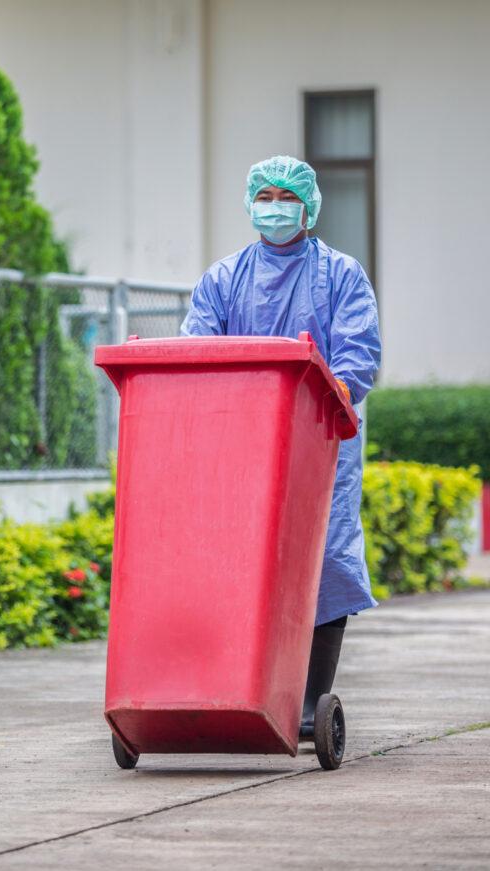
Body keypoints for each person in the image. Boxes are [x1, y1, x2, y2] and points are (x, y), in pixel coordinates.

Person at [180, 155, 381, 738]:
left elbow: (356, 354)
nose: (274, 206)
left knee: (325, 556)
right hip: (238, 448)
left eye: (284, 196)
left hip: (319, 442)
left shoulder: (342, 275)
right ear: (249, 204)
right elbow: (198, 351)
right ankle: (234, 688)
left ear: (308, 206)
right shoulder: (223, 279)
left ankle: (310, 701)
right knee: (235, 560)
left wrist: (334, 389)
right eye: (263, 196)